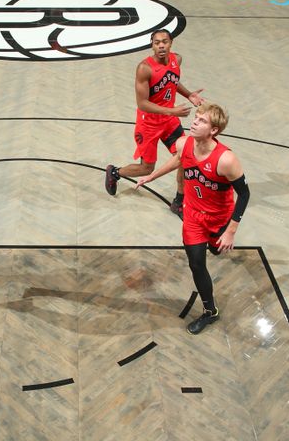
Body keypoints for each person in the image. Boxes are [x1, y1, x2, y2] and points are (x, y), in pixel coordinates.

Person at [135, 103, 250, 335]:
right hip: (193, 217)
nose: (195, 122)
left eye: (202, 121)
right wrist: (151, 176)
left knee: (217, 250)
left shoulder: (226, 159)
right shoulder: (185, 143)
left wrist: (231, 230)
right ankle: (210, 312)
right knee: (197, 263)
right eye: (196, 118)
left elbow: (245, 194)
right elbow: (178, 160)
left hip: (219, 218)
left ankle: (217, 242)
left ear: (214, 130)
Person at [105, 29, 204, 218]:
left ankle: (178, 201)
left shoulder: (177, 60)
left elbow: (172, 81)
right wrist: (171, 110)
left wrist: (189, 94)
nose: (161, 46)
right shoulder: (144, 68)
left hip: (169, 121)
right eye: (157, 42)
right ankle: (115, 172)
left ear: (171, 43)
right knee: (147, 168)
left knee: (185, 156)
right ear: (152, 45)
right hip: (148, 124)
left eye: (164, 42)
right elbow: (142, 103)